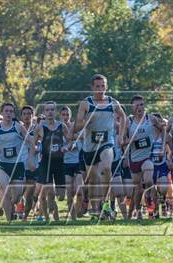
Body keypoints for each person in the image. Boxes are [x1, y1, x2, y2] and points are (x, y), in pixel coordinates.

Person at [69, 74, 126, 216]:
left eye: (103, 86)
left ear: (106, 87)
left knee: (106, 167)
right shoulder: (86, 104)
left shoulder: (113, 102)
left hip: (107, 143)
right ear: (92, 88)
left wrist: (120, 136)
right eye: (97, 87)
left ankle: (107, 203)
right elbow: (76, 127)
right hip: (89, 147)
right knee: (94, 181)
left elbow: (124, 117)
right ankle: (96, 210)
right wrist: (88, 120)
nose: (100, 90)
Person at [0, 103, 33, 222]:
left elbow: (29, 139)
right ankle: (9, 220)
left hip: (17, 164)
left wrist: (35, 146)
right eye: (6, 111)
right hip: (3, 164)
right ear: (2, 113)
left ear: (13, 113)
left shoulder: (18, 127)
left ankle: (13, 205)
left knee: (17, 196)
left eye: (11, 111)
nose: (8, 113)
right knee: (3, 189)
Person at [30, 101, 69, 222]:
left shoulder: (62, 126)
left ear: (55, 112)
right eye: (47, 110)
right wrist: (35, 152)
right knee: (50, 192)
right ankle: (48, 215)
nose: (50, 112)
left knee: (61, 196)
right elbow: (33, 145)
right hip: (46, 162)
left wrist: (66, 147)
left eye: (52, 110)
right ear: (44, 112)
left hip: (59, 162)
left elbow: (70, 141)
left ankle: (45, 201)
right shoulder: (40, 128)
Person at [126, 95, 164, 219]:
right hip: (134, 159)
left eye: (142, 105)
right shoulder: (128, 121)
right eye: (137, 105)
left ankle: (152, 207)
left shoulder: (151, 119)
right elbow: (121, 141)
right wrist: (130, 140)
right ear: (132, 107)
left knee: (148, 181)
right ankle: (138, 211)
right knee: (137, 189)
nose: (139, 107)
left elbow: (163, 130)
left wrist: (163, 148)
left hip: (147, 157)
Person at [61, 106, 84, 220]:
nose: (65, 117)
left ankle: (78, 210)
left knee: (79, 191)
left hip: (78, 161)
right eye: (63, 115)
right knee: (69, 193)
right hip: (66, 163)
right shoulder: (58, 129)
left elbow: (83, 136)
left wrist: (74, 137)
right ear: (60, 116)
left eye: (67, 114)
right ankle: (73, 217)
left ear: (70, 116)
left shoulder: (76, 127)